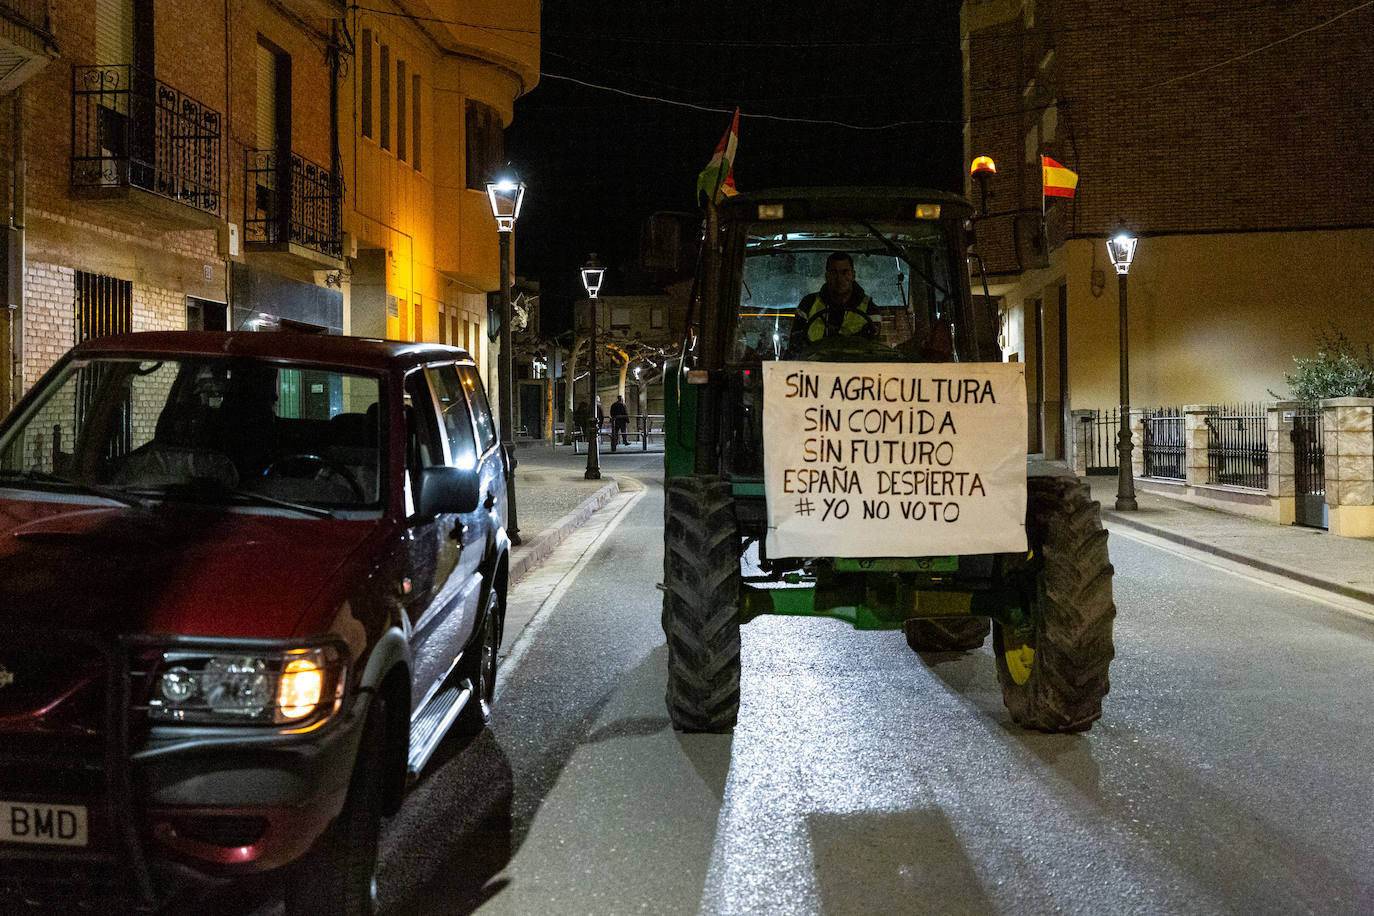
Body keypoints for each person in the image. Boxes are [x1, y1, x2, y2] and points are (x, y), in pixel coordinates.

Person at [788, 251, 878, 349]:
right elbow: (795, 345)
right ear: (827, 276)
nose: (839, 278)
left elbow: (873, 347)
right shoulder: (808, 304)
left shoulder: (869, 308)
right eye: (834, 273)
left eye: (845, 272)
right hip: (813, 363)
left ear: (853, 275)